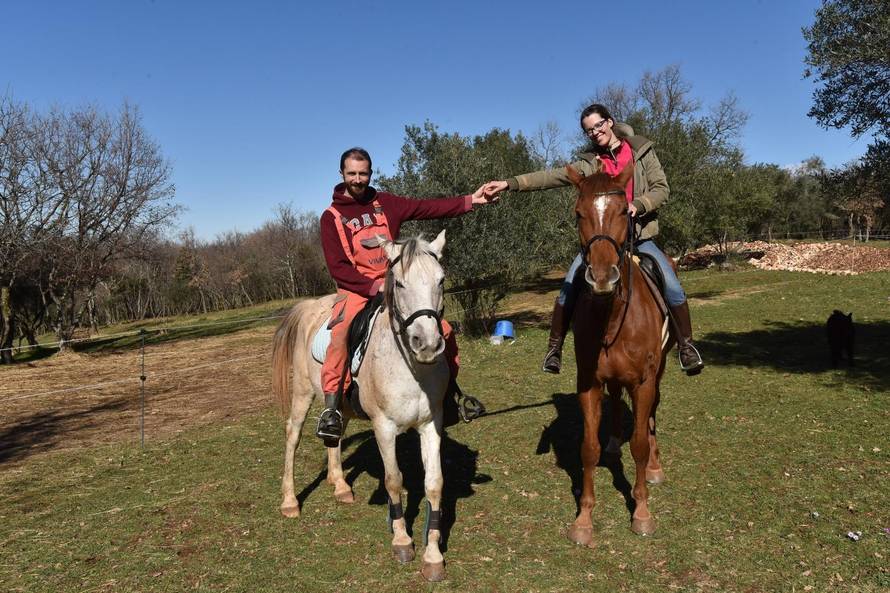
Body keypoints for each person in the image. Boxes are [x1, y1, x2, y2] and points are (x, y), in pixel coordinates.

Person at [483, 104, 704, 376]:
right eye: (589, 130)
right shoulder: (589, 164)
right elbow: (550, 176)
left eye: (598, 125)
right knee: (568, 287)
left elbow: (662, 188)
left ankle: (686, 346)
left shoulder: (642, 152)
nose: (595, 132)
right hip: (601, 243)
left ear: (610, 122)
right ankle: (555, 348)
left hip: (639, 237)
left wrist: (639, 204)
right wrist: (509, 183)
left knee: (672, 285)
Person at [316, 147, 495, 441]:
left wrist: (470, 201)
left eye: (363, 173)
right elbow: (337, 268)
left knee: (444, 330)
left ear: (370, 173)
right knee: (340, 333)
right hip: (357, 289)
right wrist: (374, 287)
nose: (358, 179)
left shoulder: (385, 203)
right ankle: (332, 409)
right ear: (341, 175)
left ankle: (450, 397)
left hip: (397, 283)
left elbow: (427, 207)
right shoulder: (331, 217)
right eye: (352, 174)